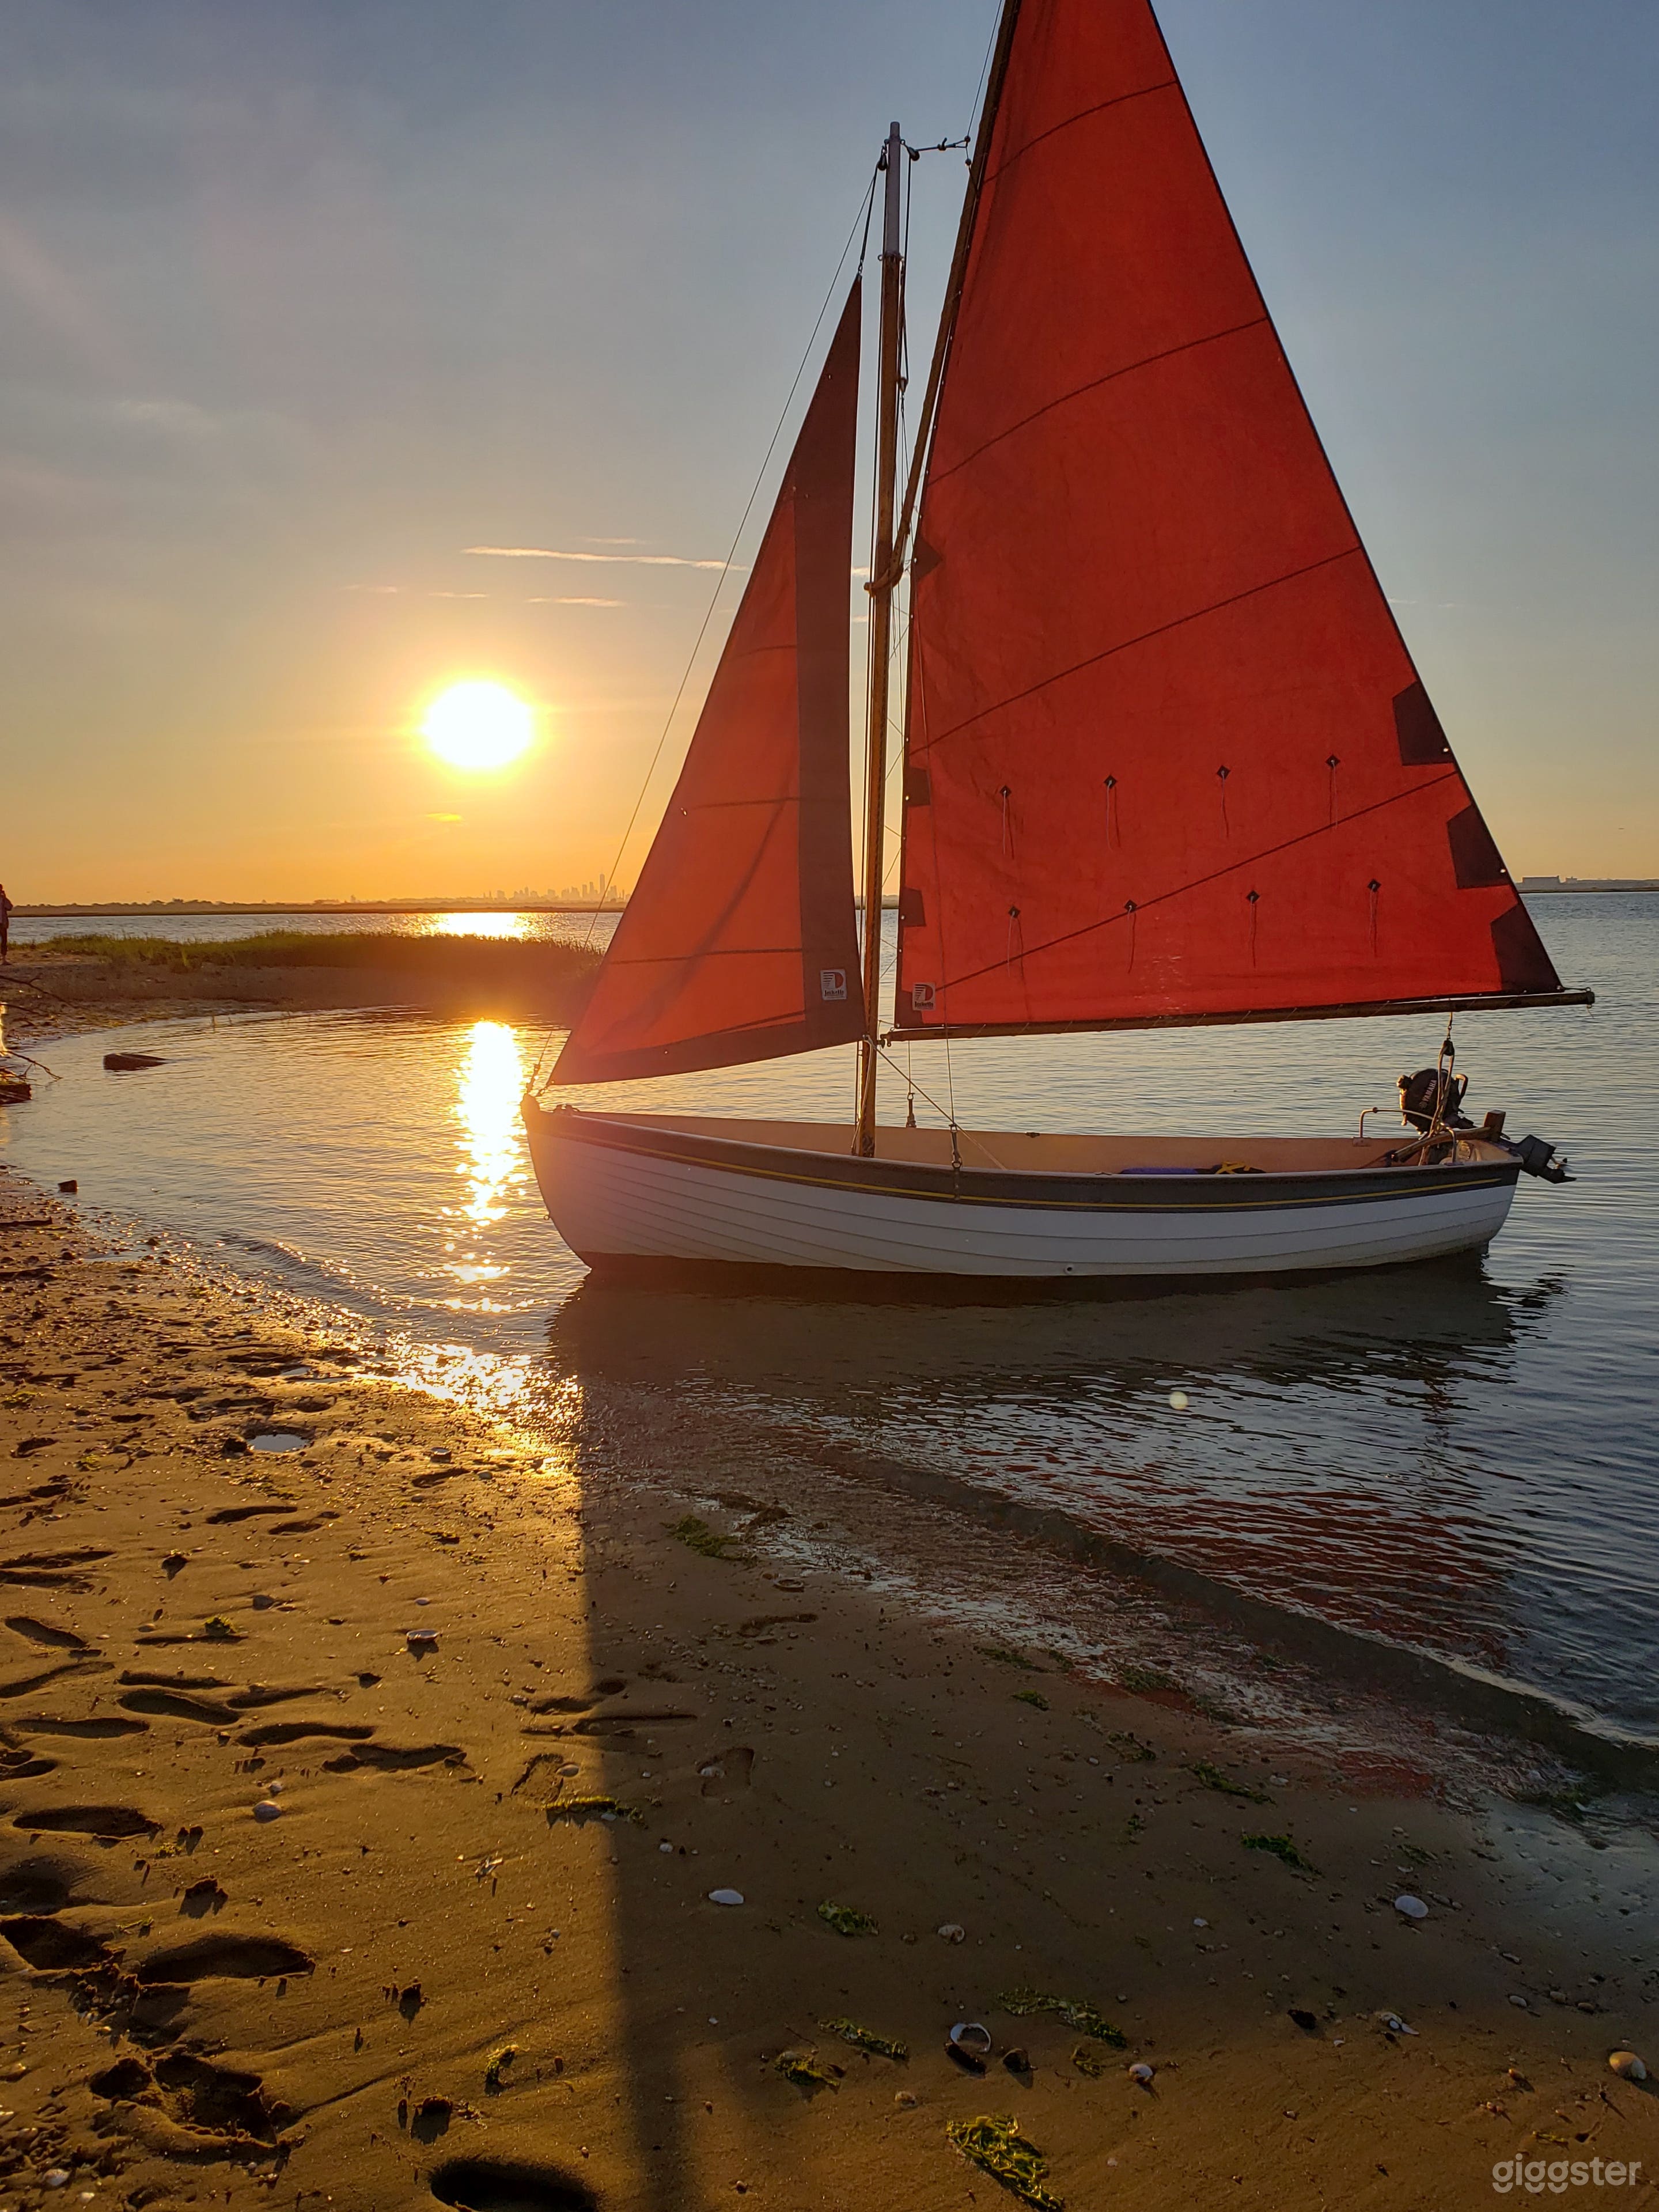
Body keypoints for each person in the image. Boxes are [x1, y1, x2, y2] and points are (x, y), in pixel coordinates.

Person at [0, 882, 11, 964]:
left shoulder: (3, 900)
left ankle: (4, 959)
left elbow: (10, 907)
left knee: (4, 941)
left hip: (2, 923)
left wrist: (5, 898)